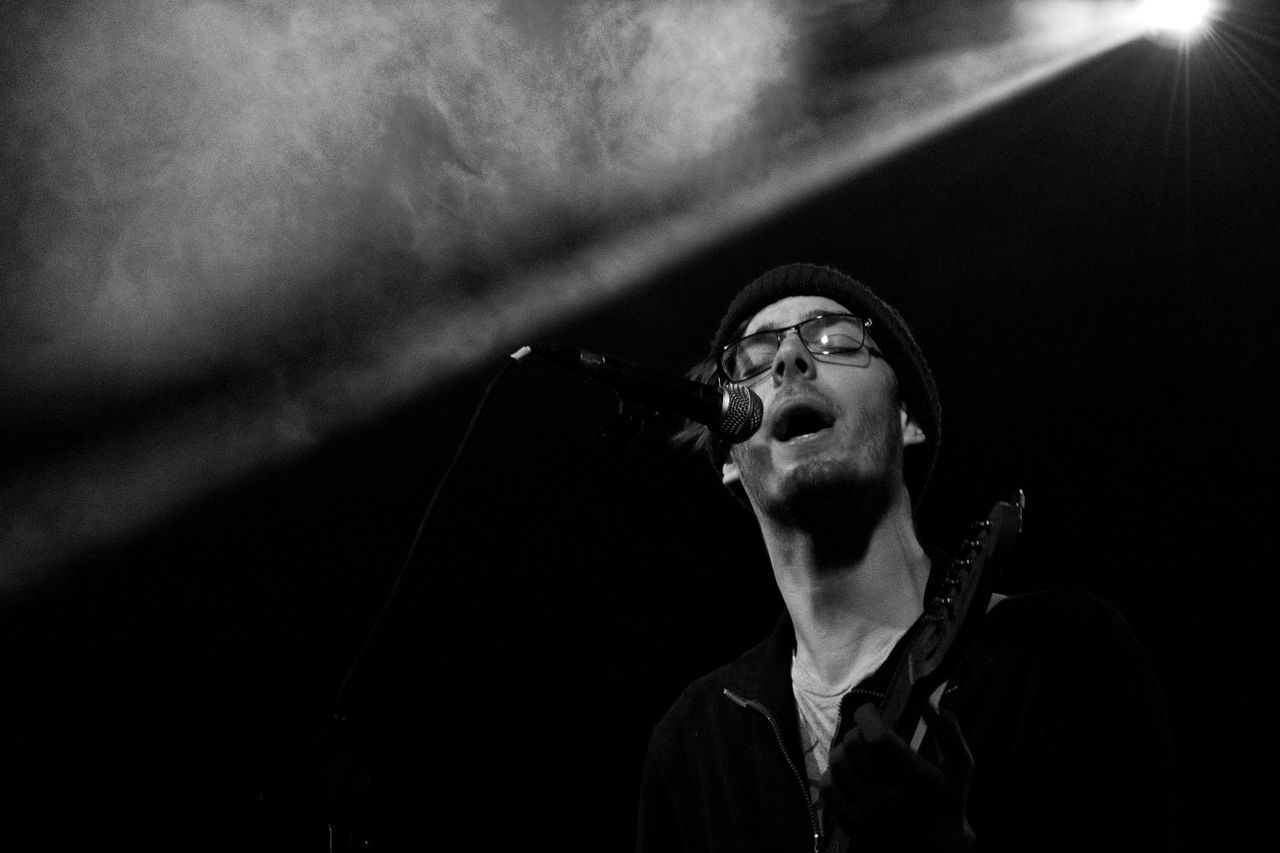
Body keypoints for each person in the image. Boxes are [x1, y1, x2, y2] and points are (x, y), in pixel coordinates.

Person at [635, 263, 1177, 852]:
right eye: (755, 357)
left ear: (907, 418)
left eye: (834, 338)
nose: (791, 359)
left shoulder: (1059, 651)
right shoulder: (694, 742)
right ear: (730, 458)